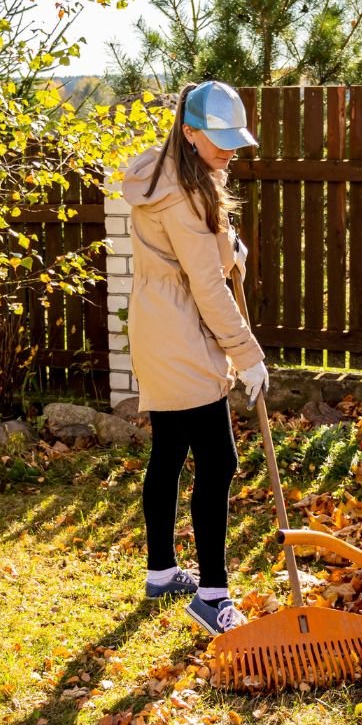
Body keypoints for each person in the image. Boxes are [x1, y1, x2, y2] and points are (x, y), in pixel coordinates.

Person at [121, 81, 269, 636]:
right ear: (189, 133)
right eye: (220, 139)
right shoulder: (182, 195)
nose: (230, 150)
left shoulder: (173, 174)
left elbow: (202, 253)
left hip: (160, 326)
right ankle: (212, 596)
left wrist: (229, 248)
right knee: (219, 461)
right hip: (183, 334)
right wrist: (247, 354)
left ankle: (161, 572)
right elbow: (207, 286)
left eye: (235, 139)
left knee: (169, 451)